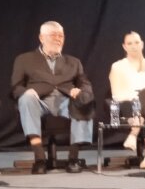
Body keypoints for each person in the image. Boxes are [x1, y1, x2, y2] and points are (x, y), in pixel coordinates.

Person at [11, 21, 94, 174]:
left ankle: (73, 159)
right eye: (53, 35)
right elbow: (16, 87)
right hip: (39, 101)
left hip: (65, 101)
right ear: (41, 38)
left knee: (83, 101)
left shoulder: (74, 62)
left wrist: (80, 92)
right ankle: (39, 159)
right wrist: (27, 92)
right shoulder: (24, 59)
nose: (58, 39)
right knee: (26, 98)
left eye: (61, 36)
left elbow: (85, 84)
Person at [108, 31, 145, 169]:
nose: (134, 46)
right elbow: (116, 94)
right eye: (130, 43)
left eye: (137, 42)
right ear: (124, 46)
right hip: (127, 105)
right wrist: (136, 99)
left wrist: (144, 96)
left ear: (142, 44)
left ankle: (134, 132)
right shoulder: (117, 66)